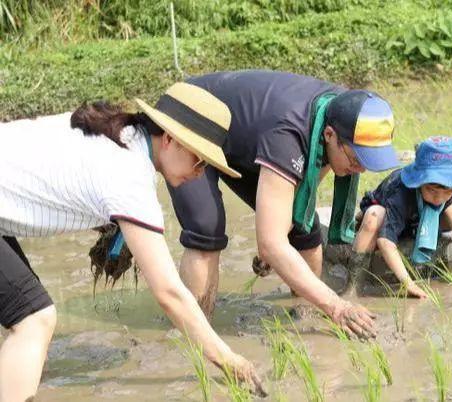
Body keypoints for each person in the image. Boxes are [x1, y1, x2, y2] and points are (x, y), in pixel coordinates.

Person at [0, 82, 265, 401]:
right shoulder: (129, 175)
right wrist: (228, 359)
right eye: (200, 160)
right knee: (33, 319)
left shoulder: (119, 134)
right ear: (169, 139)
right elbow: (170, 294)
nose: (200, 173)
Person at [165, 70, 400, 338]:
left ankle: (304, 321)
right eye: (357, 159)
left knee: (304, 230)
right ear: (329, 135)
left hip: (246, 137)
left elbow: (302, 197)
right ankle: (195, 335)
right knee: (206, 229)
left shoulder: (338, 112)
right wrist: (337, 305)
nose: (360, 169)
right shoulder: (289, 135)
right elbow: (271, 243)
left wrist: (277, 241)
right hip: (192, 118)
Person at [352, 136, 452, 299]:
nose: (439, 198)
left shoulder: (447, 190)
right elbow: (385, 241)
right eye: (432, 191)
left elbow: (450, 207)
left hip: (421, 219)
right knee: (374, 215)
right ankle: (354, 285)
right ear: (418, 181)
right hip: (391, 217)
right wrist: (408, 283)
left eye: (447, 191)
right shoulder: (400, 192)